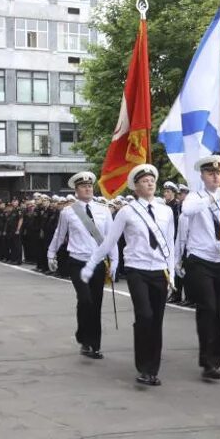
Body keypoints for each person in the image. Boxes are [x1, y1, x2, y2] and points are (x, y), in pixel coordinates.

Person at [82, 164, 176, 386]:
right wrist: (91, 264)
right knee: (144, 316)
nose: (150, 183)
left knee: (157, 320)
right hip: (137, 270)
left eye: (152, 180)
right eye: (144, 181)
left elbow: (170, 244)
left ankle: (153, 369)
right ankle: (143, 366)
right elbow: (109, 241)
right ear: (135, 187)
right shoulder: (127, 211)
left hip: (159, 270)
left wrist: (172, 274)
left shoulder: (166, 211)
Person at [179, 155, 220, 380]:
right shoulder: (195, 197)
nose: (215, 176)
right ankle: (207, 361)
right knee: (207, 306)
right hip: (201, 260)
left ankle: (215, 359)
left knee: (218, 310)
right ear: (202, 175)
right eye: (210, 173)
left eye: (218, 173)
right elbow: (186, 211)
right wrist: (211, 200)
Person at [47, 172, 118, 360]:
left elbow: (111, 238)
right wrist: (51, 253)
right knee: (85, 300)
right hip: (77, 262)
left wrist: (115, 260)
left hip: (98, 263)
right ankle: (83, 335)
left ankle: (93, 344)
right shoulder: (68, 212)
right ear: (76, 190)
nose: (87, 189)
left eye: (90, 186)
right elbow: (59, 235)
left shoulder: (103, 211)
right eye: (83, 187)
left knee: (96, 304)